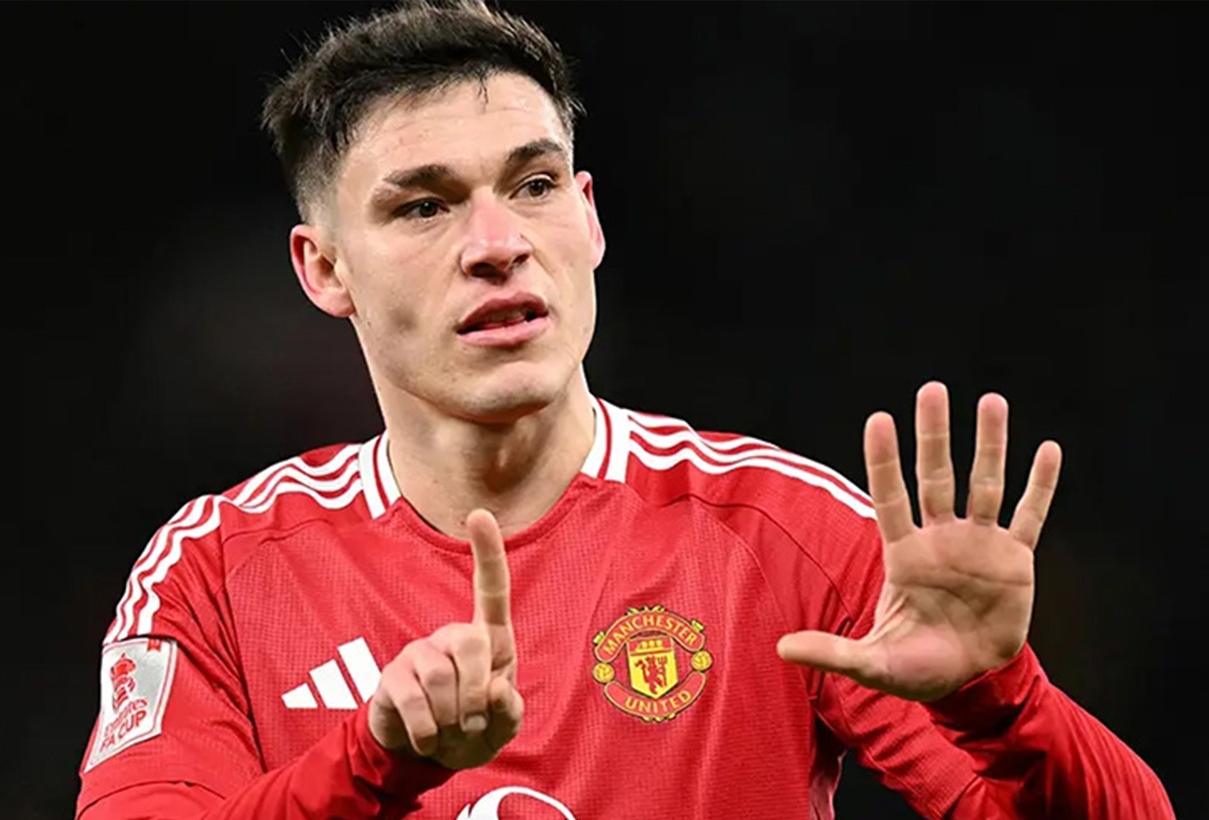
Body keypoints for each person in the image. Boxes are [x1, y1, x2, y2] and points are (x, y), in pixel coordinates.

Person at [75, 2, 1174, 818]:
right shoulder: (218, 572)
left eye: (534, 184)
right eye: (423, 206)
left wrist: (1000, 699)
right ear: (324, 269)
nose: (497, 243)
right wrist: (378, 761)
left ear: (590, 217)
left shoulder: (782, 536)